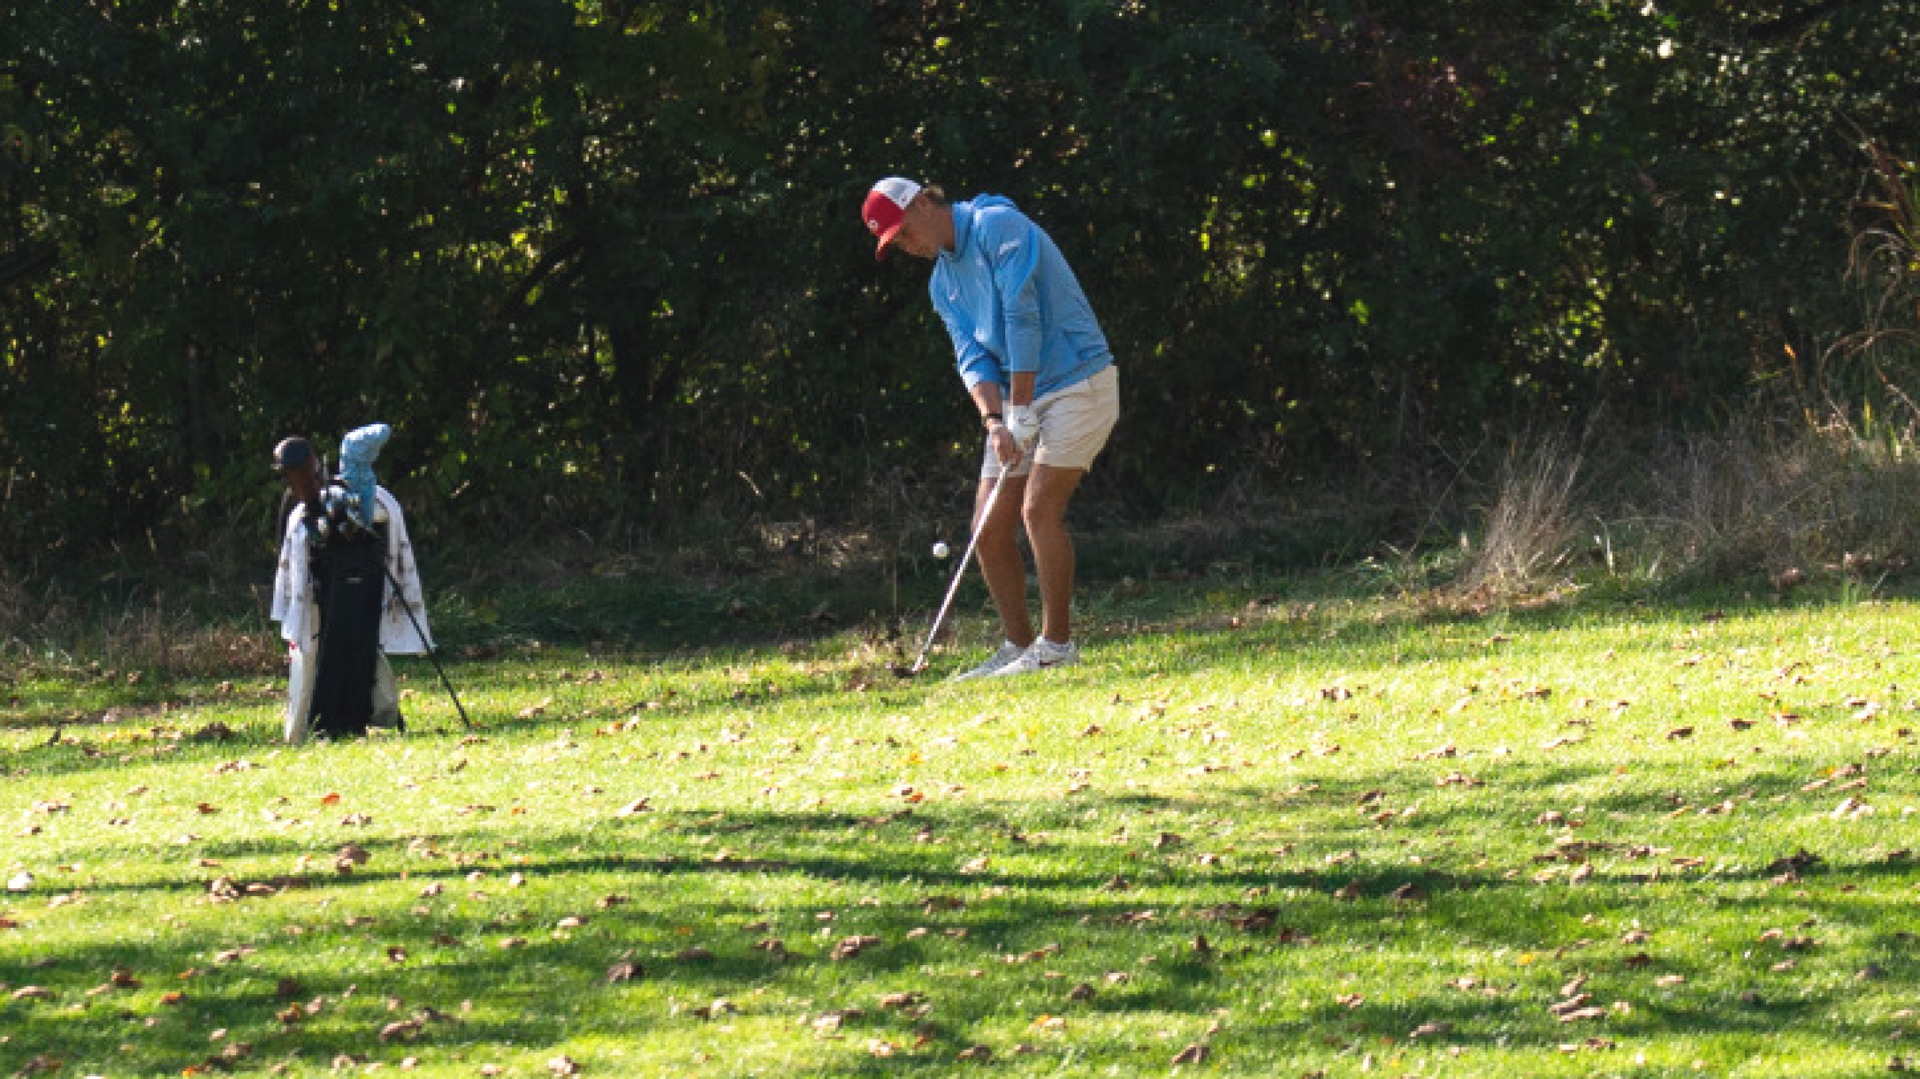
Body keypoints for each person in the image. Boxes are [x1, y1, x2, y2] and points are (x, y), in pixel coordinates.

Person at [862, 177, 1120, 678]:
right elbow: (972, 357)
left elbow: (1024, 318)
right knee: (989, 530)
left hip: (1078, 382)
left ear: (920, 202)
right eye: (893, 243)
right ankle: (1020, 647)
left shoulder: (997, 226)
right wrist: (996, 419)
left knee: (1038, 509)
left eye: (903, 230)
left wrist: (1019, 405)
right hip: (1018, 400)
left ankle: (1057, 646)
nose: (905, 246)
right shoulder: (942, 283)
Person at [269, 428, 433, 742]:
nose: (304, 481)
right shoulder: (303, 509)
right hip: (327, 589)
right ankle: (329, 719)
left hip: (353, 578)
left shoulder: (340, 494)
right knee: (325, 651)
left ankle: (349, 716)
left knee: (356, 643)